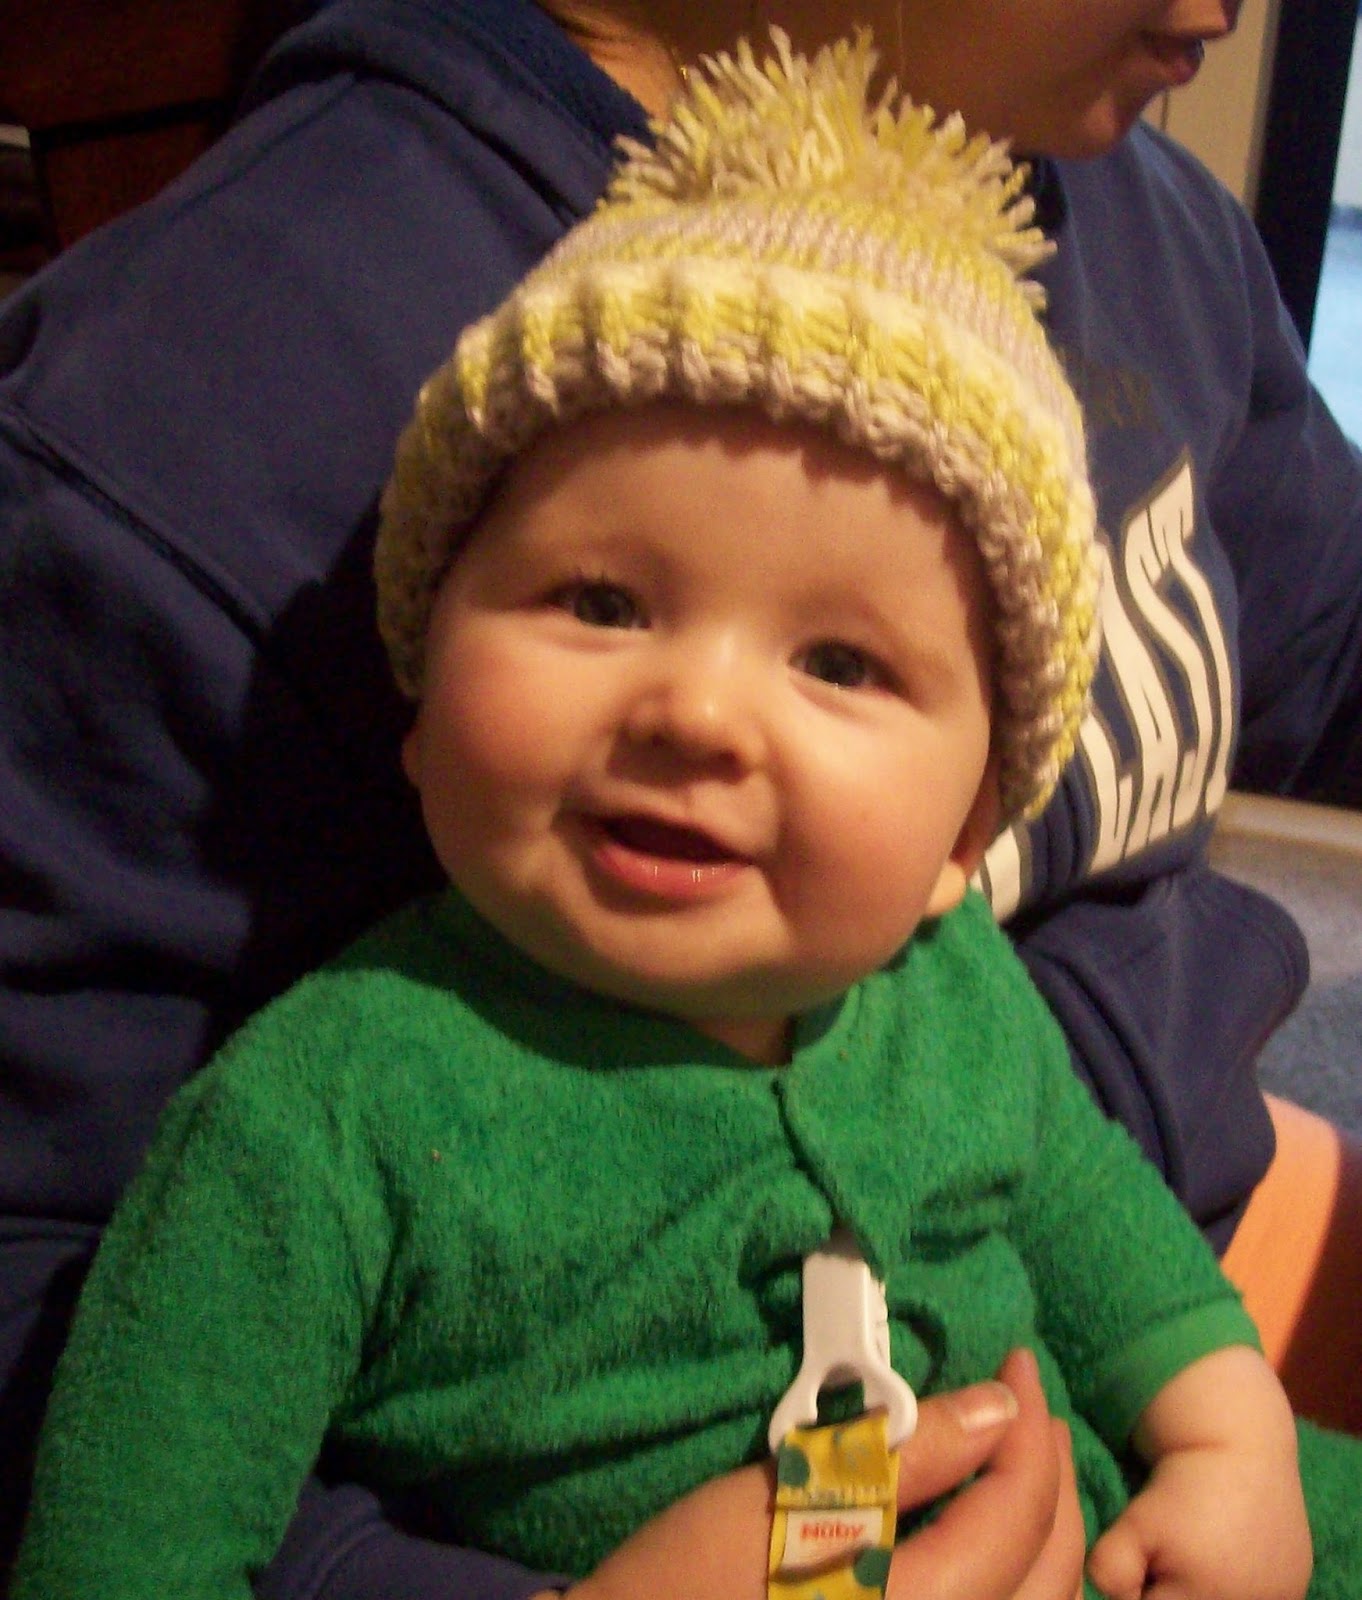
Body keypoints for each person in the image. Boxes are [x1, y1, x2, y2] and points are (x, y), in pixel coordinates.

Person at [0, 0, 1358, 1594]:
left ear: (966, 838)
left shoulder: (949, 993)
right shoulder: (314, 1124)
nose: (696, 715)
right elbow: (119, 1518)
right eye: (599, 603)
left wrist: (1224, 1430)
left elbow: (1076, 1195)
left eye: (841, 663)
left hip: (1117, 1450)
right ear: (413, 697)